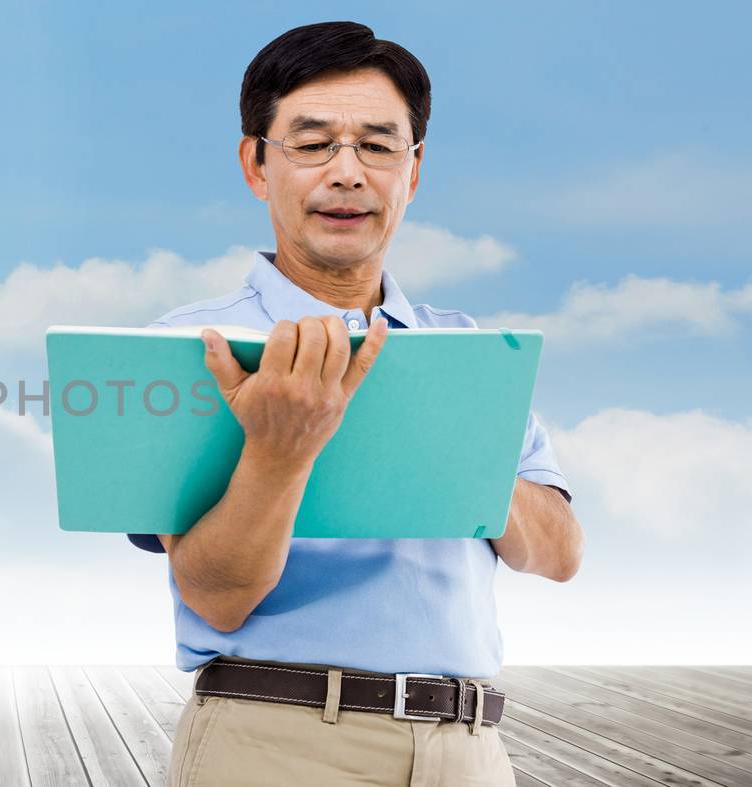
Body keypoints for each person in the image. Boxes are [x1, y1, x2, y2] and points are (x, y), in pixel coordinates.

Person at [130, 21, 586, 786]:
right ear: (255, 163)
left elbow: (560, 551)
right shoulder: (191, 349)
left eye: (379, 145)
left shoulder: (472, 352)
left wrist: (434, 446)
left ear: (415, 171)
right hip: (278, 743)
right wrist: (281, 450)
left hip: (469, 744)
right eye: (313, 144)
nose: (349, 172)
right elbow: (216, 594)